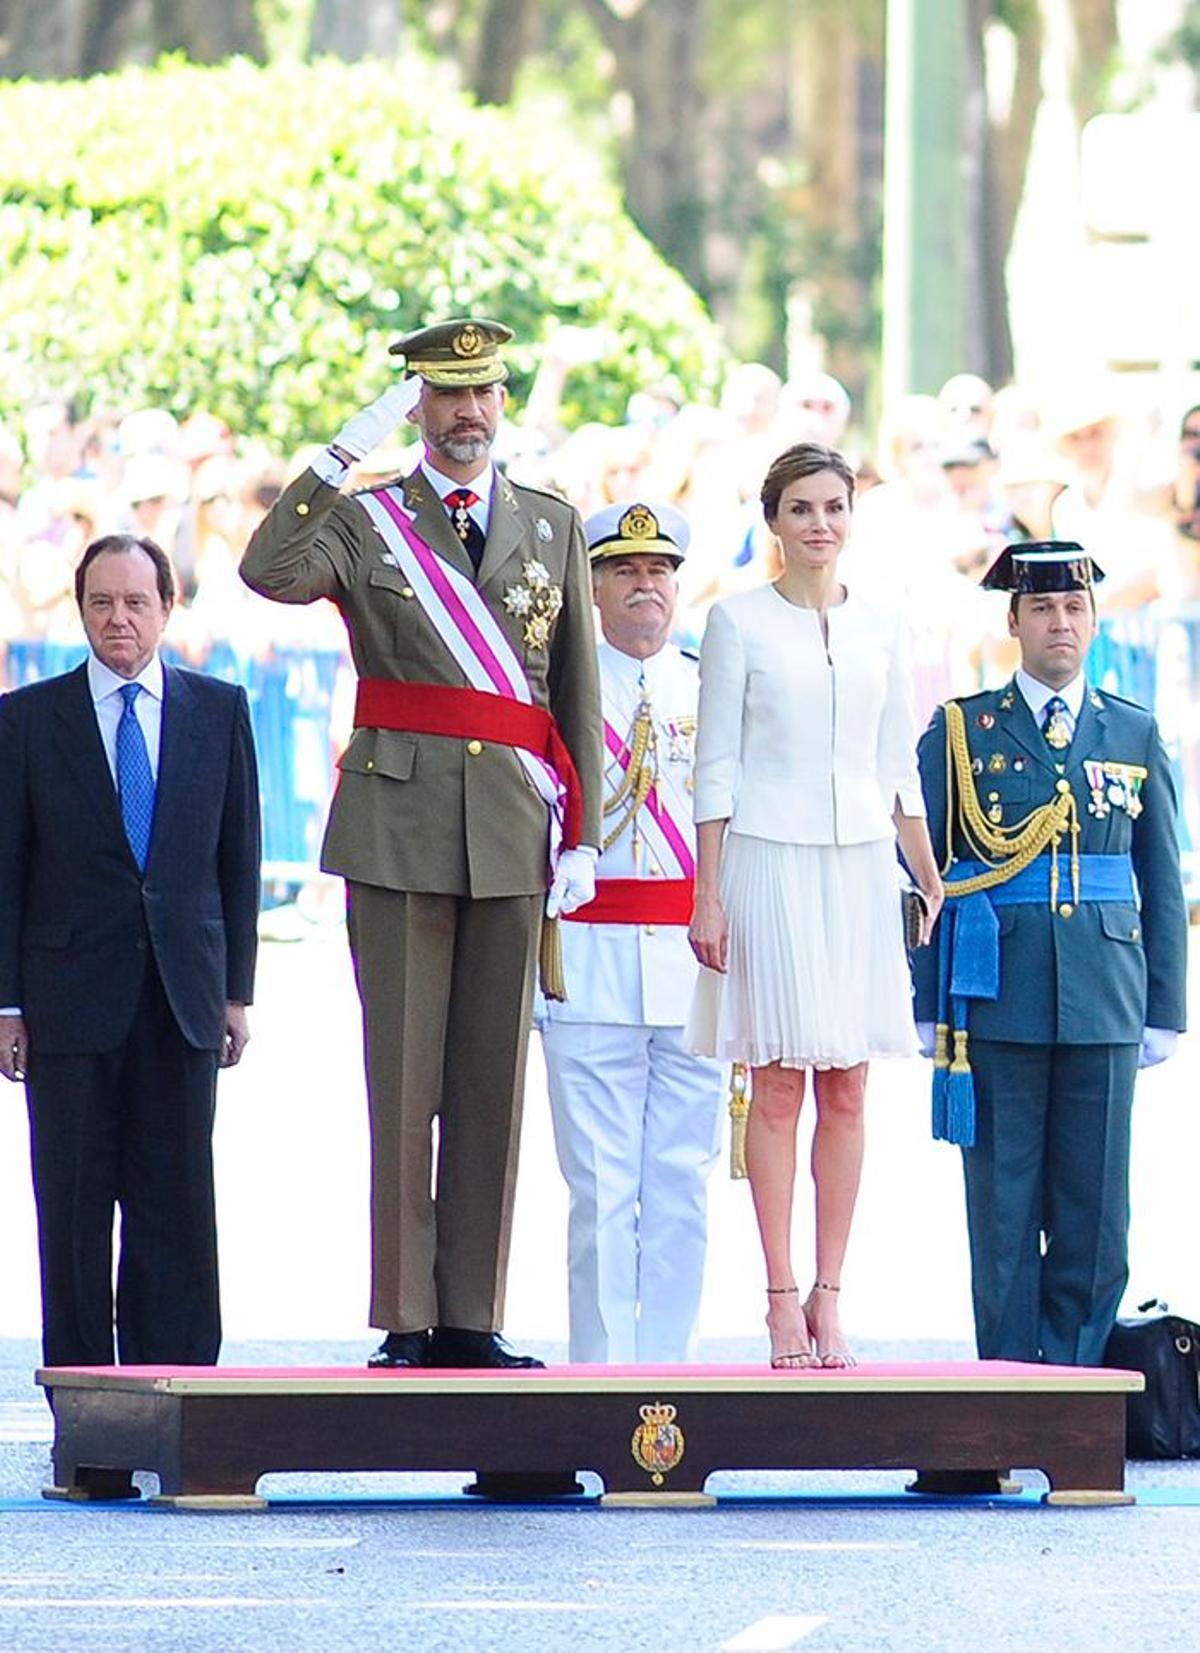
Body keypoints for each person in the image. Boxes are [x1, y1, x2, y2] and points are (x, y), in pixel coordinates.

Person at [241, 317, 603, 1370]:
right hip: (397, 824)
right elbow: (271, 570)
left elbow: (571, 686)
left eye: (485, 393)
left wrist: (576, 832)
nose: (470, 415)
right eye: (447, 397)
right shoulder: (368, 520)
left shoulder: (548, 524)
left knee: (493, 1082)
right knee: (403, 1081)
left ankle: (472, 1315)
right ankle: (406, 1315)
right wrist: (339, 454)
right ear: (416, 407)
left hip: (509, 830)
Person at [686, 442, 944, 1369]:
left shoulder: (884, 624)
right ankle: (778, 1295)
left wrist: (925, 865)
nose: (820, 524)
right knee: (781, 1079)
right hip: (768, 858)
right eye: (801, 508)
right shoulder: (737, 622)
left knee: (850, 1082)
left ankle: (834, 1295)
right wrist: (707, 892)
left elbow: (895, 762)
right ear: (774, 521)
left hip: (859, 866)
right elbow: (713, 767)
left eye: (834, 506)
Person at [912, 541, 1188, 1366]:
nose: (1059, 622)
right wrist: (928, 1000)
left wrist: (1166, 1006)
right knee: (1001, 1209)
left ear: (1096, 620)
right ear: (1013, 621)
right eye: (1042, 608)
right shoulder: (962, 731)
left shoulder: (1133, 731)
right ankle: (1009, 1393)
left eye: (1074, 608)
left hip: (1106, 990)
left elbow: (1161, 877)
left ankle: (1075, 1404)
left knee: (1096, 1212)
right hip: (997, 995)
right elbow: (924, 876)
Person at [0, 533, 260, 1368]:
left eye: (135, 602)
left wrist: (236, 992)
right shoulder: (27, 719)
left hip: (183, 997)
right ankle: (88, 1420)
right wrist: (8, 1004)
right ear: (79, 609)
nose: (119, 619)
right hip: (69, 1002)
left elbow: (238, 862)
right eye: (102, 603)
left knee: (176, 1206)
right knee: (74, 1214)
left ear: (167, 607)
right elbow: (6, 868)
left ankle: (178, 1402)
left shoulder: (219, 711)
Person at [540, 500, 724, 1364]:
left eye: (659, 571)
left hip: (694, 965)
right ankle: (603, 1381)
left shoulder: (711, 686)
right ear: (593, 585)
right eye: (624, 570)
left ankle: (669, 1374)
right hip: (591, 957)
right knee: (602, 1188)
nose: (645, 585)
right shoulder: (559, 691)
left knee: (682, 1182)